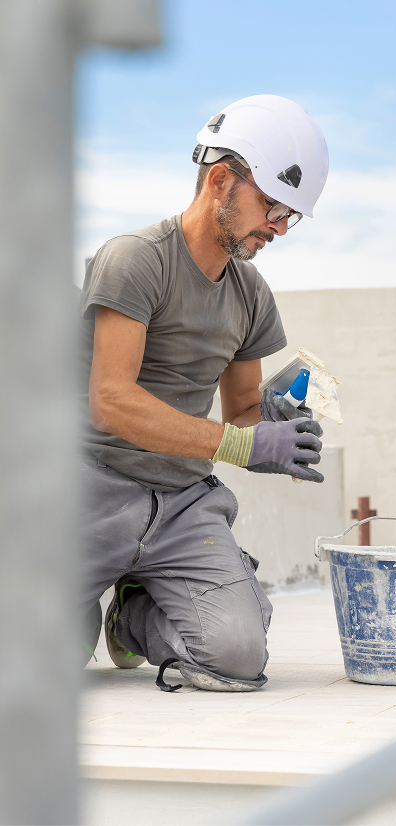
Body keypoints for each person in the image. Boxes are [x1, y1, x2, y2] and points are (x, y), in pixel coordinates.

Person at [79, 94, 329, 692]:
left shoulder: (251, 295)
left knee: (238, 656)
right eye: (273, 206)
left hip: (181, 504)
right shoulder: (133, 261)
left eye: (289, 215)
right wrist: (240, 447)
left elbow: (241, 408)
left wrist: (273, 425)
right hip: (90, 491)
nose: (278, 227)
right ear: (221, 180)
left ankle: (137, 612)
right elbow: (111, 401)